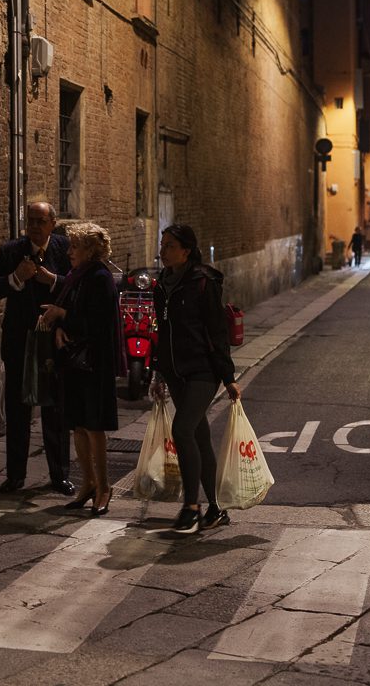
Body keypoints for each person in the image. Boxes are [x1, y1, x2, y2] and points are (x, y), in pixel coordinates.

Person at [0, 201, 74, 495]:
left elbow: (79, 287)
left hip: (54, 341)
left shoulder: (65, 249)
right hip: (20, 341)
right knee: (18, 408)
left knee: (55, 410)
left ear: (52, 223)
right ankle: (15, 475)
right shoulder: (11, 251)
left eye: (40, 221)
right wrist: (15, 277)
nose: (33, 226)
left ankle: (59, 475)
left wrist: (53, 280)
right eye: (30, 220)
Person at [151, 223, 240, 535]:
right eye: (162, 245)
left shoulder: (203, 282)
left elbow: (217, 330)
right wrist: (158, 372)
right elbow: (160, 332)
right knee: (199, 438)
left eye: (169, 246)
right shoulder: (161, 283)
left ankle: (191, 507)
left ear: (186, 251)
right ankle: (217, 509)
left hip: (203, 370)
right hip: (176, 371)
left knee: (182, 429)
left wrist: (227, 376)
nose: (163, 251)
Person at [37, 222, 119, 515]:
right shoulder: (77, 275)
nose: (69, 251)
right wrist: (60, 325)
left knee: (94, 427)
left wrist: (62, 315)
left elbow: (96, 323)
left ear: (90, 250)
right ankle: (88, 483)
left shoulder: (100, 278)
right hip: (74, 362)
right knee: (79, 427)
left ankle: (105, 487)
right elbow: (71, 310)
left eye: (75, 246)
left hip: (94, 363)